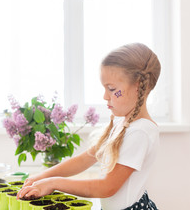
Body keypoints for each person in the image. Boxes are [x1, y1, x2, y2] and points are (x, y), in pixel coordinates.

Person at [17, 43, 161, 210]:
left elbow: (107, 187)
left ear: (137, 86)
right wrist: (43, 176)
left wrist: (53, 183)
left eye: (112, 89)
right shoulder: (122, 124)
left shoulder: (140, 132)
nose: (105, 96)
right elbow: (86, 158)